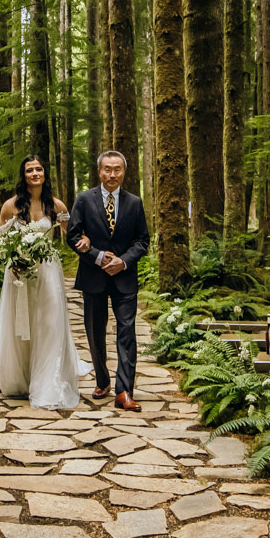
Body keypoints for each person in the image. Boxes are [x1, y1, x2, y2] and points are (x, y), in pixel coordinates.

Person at [0, 155, 87, 410]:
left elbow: (73, 234)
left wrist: (88, 243)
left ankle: (48, 380)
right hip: (19, 274)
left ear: (45, 173)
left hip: (48, 272)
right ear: (23, 176)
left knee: (49, 321)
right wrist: (13, 261)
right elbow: (1, 242)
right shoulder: (10, 206)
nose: (35, 173)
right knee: (21, 324)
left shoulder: (56, 205)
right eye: (29, 170)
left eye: (39, 169)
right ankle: (20, 377)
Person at [66, 150, 150, 411]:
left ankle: (124, 391)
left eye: (117, 169)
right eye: (107, 169)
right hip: (93, 277)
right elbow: (72, 236)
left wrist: (122, 261)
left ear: (124, 172)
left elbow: (142, 241)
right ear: (99, 171)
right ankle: (102, 379)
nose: (112, 174)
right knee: (95, 331)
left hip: (125, 278)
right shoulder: (84, 200)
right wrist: (98, 256)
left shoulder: (135, 203)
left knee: (127, 333)